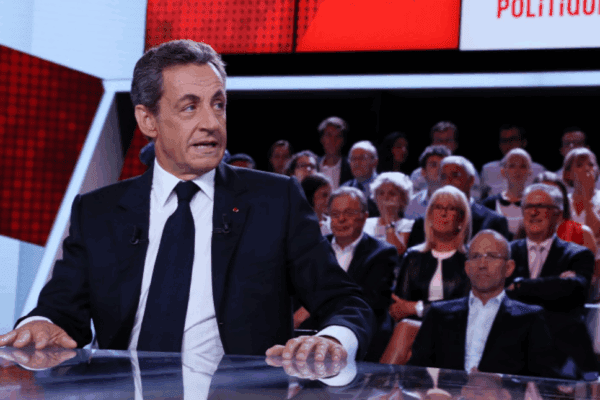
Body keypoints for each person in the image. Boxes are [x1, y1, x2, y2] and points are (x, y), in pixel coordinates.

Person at [0, 40, 376, 363]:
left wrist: (332, 339)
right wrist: (41, 325)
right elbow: (61, 310)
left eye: (218, 105)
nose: (211, 123)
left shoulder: (275, 201)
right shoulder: (98, 211)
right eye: (190, 107)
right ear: (148, 120)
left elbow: (345, 302)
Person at [408, 230, 559, 377]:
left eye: (491, 256)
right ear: (467, 268)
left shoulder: (530, 318)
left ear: (509, 268)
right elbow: (415, 373)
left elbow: (544, 379)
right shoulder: (438, 314)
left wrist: (501, 384)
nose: (482, 264)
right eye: (475, 256)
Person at [294, 187, 400, 362]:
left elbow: (372, 302)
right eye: (335, 214)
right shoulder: (315, 249)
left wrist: (309, 308)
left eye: (349, 213)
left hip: (361, 327)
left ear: (364, 217)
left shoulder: (382, 252)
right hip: (311, 326)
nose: (341, 219)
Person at [507, 183, 597, 379]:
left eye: (541, 207)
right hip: (511, 351)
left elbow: (575, 292)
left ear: (558, 215)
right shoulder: (507, 252)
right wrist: (556, 285)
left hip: (560, 357)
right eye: (528, 207)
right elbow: (499, 293)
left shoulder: (578, 255)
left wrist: (520, 286)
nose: (533, 212)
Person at [380, 185, 471, 365]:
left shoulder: (470, 259)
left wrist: (417, 308)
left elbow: (463, 306)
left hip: (455, 331)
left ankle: (381, 380)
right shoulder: (414, 256)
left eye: (451, 208)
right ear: (429, 215)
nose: (443, 213)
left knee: (406, 330)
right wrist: (411, 309)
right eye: (438, 207)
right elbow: (398, 307)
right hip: (416, 333)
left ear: (461, 219)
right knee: (406, 336)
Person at [406, 156, 510, 248]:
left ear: (471, 180)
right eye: (443, 177)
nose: (448, 181)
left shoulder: (493, 221)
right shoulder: (424, 222)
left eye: (455, 175)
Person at [409, 122, 482, 198]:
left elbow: (474, 199)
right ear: (432, 144)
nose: (443, 144)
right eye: (439, 141)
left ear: (455, 144)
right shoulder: (418, 175)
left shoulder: (468, 171)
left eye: (448, 141)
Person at [480, 125, 545, 199]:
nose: (508, 144)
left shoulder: (539, 170)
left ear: (524, 142)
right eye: (504, 141)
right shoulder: (488, 169)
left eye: (513, 139)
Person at [480, 148, 532, 236]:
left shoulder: (535, 204)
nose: (517, 171)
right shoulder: (489, 204)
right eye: (512, 166)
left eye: (523, 166)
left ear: (530, 171)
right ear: (503, 171)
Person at [363, 172, 414, 255]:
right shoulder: (365, 223)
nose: (385, 198)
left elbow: (398, 251)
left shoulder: (408, 224)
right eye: (381, 193)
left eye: (392, 194)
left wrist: (388, 221)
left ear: (403, 199)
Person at [404, 145, 451, 219]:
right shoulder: (412, 204)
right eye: (434, 165)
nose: (440, 169)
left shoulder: (460, 201)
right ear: (423, 172)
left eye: (443, 165)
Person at [562, 147, 600, 238]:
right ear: (568, 174)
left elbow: (595, 233)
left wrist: (587, 200)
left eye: (591, 165)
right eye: (579, 165)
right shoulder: (564, 202)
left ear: (597, 171)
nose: (586, 168)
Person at [342, 141, 380, 216]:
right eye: (353, 159)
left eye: (362, 158)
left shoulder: (386, 187)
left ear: (375, 162)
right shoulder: (344, 189)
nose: (356, 163)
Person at [317, 116, 353, 190]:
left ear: (343, 141)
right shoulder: (313, 166)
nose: (333, 140)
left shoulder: (351, 167)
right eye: (329, 135)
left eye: (338, 136)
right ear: (322, 139)